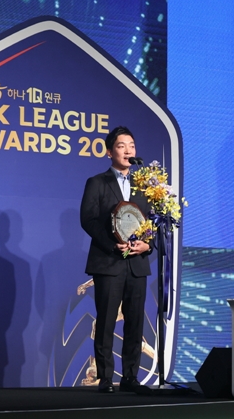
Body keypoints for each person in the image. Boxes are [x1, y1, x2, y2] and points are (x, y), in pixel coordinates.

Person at [80, 126, 152, 393]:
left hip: (137, 263)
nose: (128, 150)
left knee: (135, 322)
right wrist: (112, 245)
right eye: (122, 146)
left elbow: (152, 223)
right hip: (108, 262)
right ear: (110, 152)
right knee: (106, 321)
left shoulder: (145, 186)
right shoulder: (97, 182)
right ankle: (106, 378)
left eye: (131, 145)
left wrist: (148, 244)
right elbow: (87, 219)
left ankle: (131, 377)